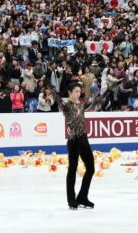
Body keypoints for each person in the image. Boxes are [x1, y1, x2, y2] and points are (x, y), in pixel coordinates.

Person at [49, 82, 114, 210]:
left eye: (79, 91)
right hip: (73, 141)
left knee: (91, 168)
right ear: (70, 92)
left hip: (84, 139)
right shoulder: (66, 106)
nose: (78, 94)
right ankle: (71, 200)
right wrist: (48, 85)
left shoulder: (82, 105)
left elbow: (97, 101)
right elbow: (57, 97)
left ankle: (82, 197)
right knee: (72, 170)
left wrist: (110, 89)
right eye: (76, 91)